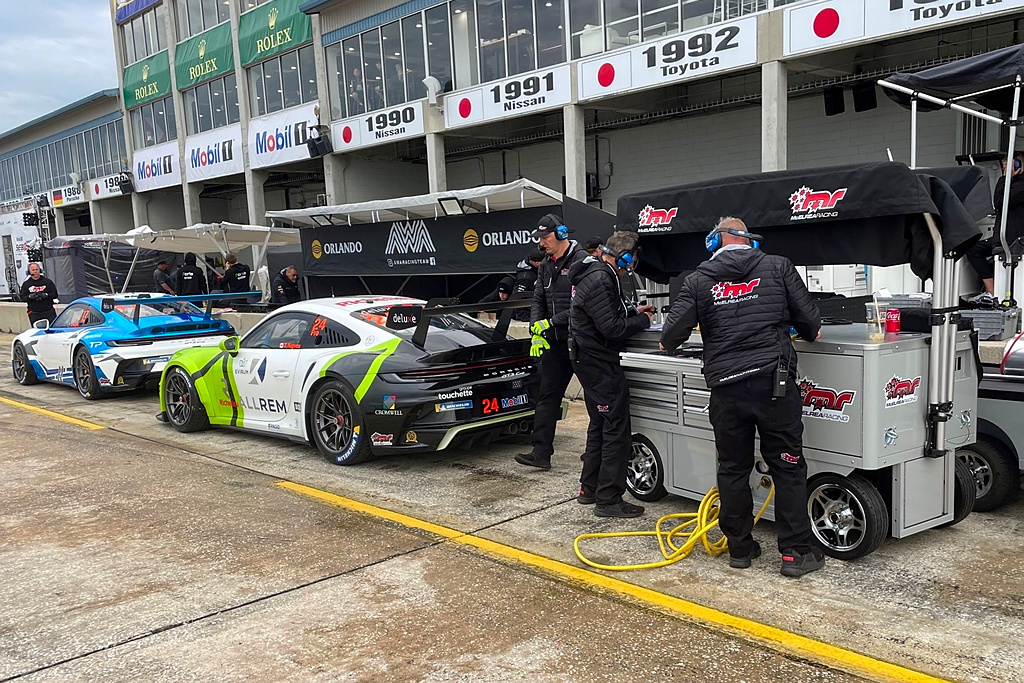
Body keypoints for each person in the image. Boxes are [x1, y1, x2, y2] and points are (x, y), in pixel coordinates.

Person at [660, 216, 824, 578]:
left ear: (715, 242)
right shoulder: (778, 267)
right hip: (773, 385)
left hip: (726, 389)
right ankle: (795, 554)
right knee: (787, 467)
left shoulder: (698, 280)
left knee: (733, 468)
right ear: (748, 239)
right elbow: (812, 327)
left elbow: (669, 337)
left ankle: (740, 549)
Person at [568, 231, 655, 518]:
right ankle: (608, 500)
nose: (633, 264)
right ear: (626, 257)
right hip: (599, 363)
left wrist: (632, 310)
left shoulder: (596, 273)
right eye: (634, 258)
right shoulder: (601, 278)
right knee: (616, 430)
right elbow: (612, 329)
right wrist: (643, 320)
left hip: (588, 360)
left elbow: (605, 314)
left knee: (599, 424)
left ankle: (590, 488)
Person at [516, 214, 589, 471]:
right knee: (546, 397)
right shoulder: (546, 264)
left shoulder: (582, 261)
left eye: (545, 238)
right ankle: (540, 452)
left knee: (594, 400)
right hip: (554, 344)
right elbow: (538, 299)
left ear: (561, 234)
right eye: (540, 238)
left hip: (579, 341)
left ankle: (595, 452)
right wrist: (536, 329)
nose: (541, 243)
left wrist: (551, 322)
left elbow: (581, 305)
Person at [965, 151, 1024, 303]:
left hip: (1014, 238)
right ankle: (990, 290)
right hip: (1002, 236)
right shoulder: (1009, 183)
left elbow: (1001, 201)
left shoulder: (1021, 184)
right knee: (973, 249)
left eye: (1010, 164)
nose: (1006, 167)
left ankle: (997, 292)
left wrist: (1005, 178)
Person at [512, 248, 545, 322]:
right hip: (528, 314)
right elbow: (517, 297)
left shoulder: (535, 270)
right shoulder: (525, 277)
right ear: (537, 263)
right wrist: (525, 316)